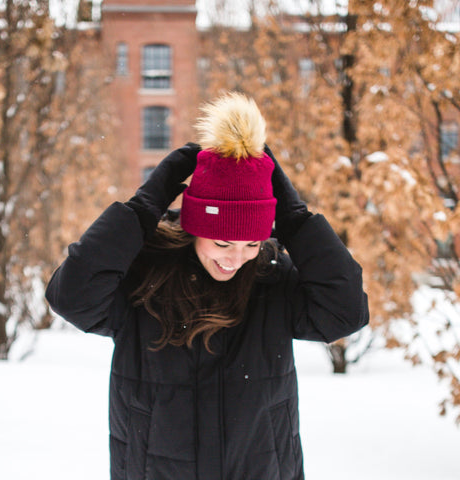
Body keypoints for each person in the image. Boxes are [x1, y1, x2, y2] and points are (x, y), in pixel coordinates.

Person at [46, 92, 369, 480]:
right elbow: (71, 297)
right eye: (222, 242)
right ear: (194, 226)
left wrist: (296, 220)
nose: (236, 258)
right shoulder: (144, 277)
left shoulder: (270, 278)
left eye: (252, 243)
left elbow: (345, 313)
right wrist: (143, 207)